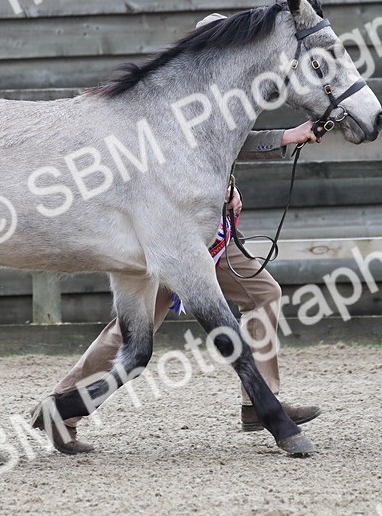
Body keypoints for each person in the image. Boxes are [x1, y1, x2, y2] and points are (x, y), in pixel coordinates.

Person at [32, 121, 323, 454]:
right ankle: (62, 407)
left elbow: (224, 136)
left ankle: (259, 401)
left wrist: (230, 182)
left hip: (207, 230)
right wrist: (282, 138)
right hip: (166, 230)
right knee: (132, 331)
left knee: (263, 294)